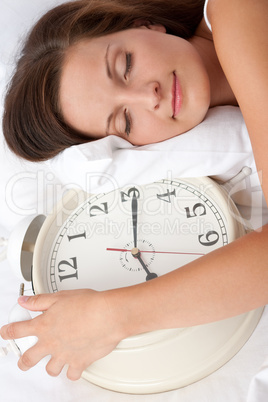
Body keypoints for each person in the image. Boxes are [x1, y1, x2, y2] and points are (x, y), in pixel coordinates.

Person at [1, 0, 268, 383]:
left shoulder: (235, 12)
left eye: (125, 65)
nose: (150, 96)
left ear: (146, 25)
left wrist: (111, 316)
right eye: (125, 120)